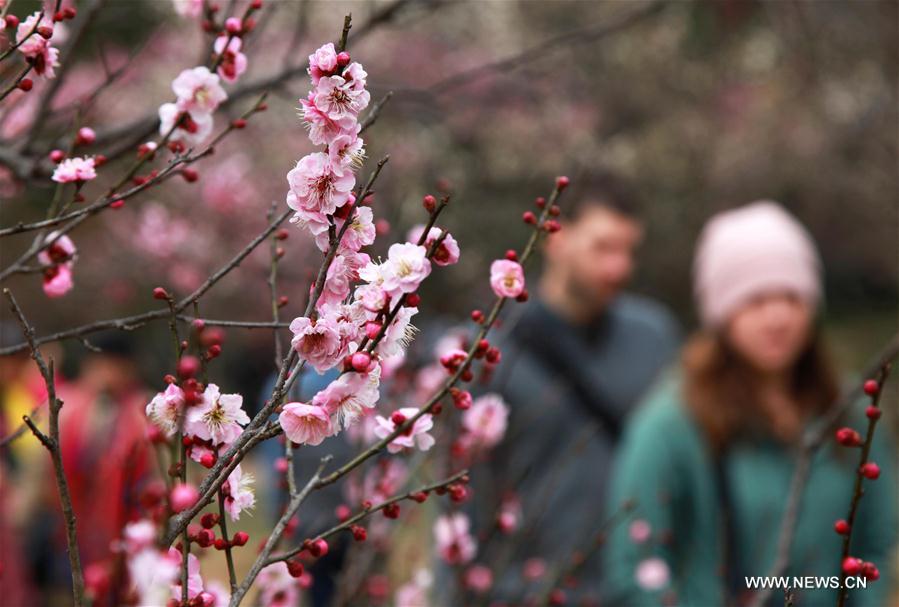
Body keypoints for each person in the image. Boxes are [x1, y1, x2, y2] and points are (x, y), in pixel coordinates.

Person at [603, 201, 897, 606]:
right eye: (755, 300)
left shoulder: (847, 412)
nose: (778, 317)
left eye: (792, 296)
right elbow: (634, 570)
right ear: (722, 313)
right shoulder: (670, 425)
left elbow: (877, 543)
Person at [469, 173, 680, 603]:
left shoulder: (655, 338)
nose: (619, 267)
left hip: (640, 588)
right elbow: (466, 498)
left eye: (628, 250)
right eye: (603, 247)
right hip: (526, 592)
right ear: (556, 239)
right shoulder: (493, 353)